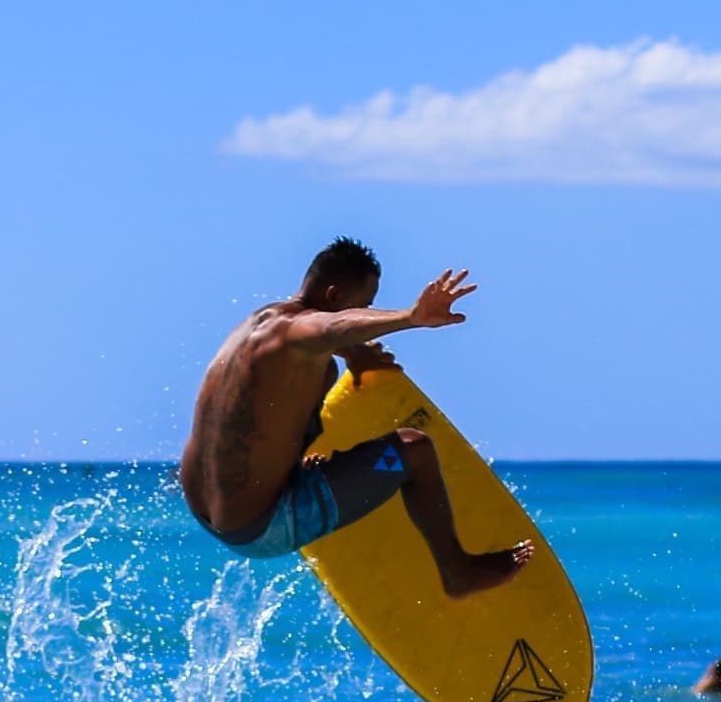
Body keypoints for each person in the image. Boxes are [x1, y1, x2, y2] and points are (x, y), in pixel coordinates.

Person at [181, 237, 532, 595]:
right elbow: (332, 326)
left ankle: (297, 473)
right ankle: (458, 572)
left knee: (323, 373)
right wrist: (410, 318)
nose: (366, 313)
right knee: (414, 449)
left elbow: (324, 332)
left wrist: (353, 352)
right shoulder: (301, 330)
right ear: (334, 295)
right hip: (262, 527)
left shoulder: (259, 323)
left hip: (203, 508)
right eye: (365, 305)